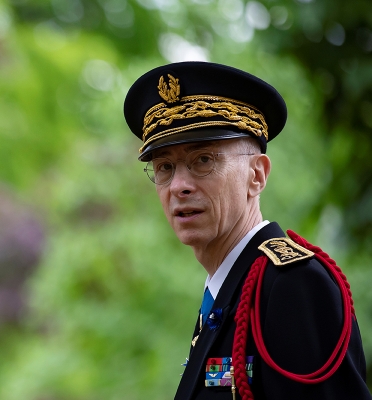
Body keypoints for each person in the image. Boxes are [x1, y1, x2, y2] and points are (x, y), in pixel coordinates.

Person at [123, 62, 372, 400]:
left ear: (257, 175)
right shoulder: (228, 288)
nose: (179, 185)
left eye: (203, 160)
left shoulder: (294, 284)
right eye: (165, 167)